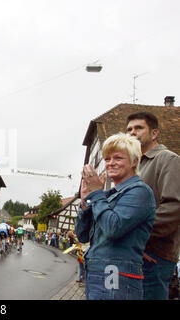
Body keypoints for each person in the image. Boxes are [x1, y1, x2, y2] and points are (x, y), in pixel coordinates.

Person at [76, 132, 156, 300]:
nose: (110, 163)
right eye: (107, 159)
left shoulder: (140, 192)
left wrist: (97, 193)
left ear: (134, 161)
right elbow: (82, 235)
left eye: (118, 158)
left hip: (116, 275)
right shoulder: (108, 195)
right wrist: (85, 204)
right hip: (98, 273)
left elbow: (114, 227)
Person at [126, 111, 180, 300]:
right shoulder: (133, 166)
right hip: (134, 251)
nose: (132, 133)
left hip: (155, 254)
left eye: (138, 128)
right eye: (129, 129)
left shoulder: (168, 159)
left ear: (154, 133)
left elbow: (174, 208)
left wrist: (135, 234)